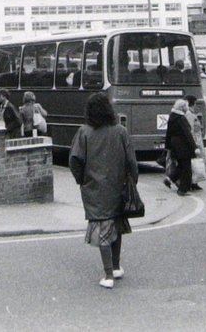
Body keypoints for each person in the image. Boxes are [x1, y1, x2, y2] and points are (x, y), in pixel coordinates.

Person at [69, 92, 138, 289]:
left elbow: (75, 160)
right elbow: (132, 161)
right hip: (119, 186)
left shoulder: (84, 132)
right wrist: (132, 181)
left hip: (95, 188)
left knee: (102, 231)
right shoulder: (120, 131)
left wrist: (82, 180)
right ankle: (115, 267)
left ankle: (108, 275)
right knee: (116, 226)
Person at [163, 98, 198, 195]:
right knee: (187, 168)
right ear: (183, 108)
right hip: (183, 146)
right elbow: (187, 135)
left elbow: (168, 133)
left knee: (181, 166)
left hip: (174, 146)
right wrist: (195, 148)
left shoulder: (172, 117)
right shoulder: (181, 119)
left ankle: (169, 178)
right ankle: (183, 189)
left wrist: (168, 147)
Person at [184, 95, 204, 191]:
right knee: (194, 163)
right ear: (192, 103)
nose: (196, 105)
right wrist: (193, 145)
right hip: (194, 142)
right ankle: (191, 182)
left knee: (196, 162)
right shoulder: (189, 114)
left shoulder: (192, 113)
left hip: (197, 141)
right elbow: (190, 130)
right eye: (195, 103)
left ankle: (194, 182)